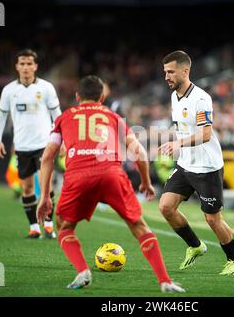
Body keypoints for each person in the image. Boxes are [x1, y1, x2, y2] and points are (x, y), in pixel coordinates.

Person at [36, 75, 184, 293]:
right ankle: (165, 281)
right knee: (139, 226)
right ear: (102, 97)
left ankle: (82, 271)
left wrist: (45, 196)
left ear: (77, 97)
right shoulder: (114, 117)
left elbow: (47, 157)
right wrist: (145, 182)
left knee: (65, 227)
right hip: (112, 174)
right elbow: (139, 153)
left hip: (78, 176)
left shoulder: (64, 117)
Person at [158, 50, 234, 276]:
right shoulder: (174, 96)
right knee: (166, 206)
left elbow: (206, 134)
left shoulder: (201, 98)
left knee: (212, 219)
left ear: (185, 71)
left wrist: (178, 145)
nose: (166, 76)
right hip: (186, 163)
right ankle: (195, 246)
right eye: (165, 72)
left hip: (206, 166)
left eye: (170, 72)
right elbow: (183, 128)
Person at [0, 49, 62, 239]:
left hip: (44, 145)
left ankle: (49, 225)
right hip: (22, 146)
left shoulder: (46, 88)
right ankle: (34, 227)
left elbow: (57, 116)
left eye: (29, 63)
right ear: (17, 66)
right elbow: (1, 116)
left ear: (35, 66)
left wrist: (62, 139)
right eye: (22, 64)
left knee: (46, 187)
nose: (25, 67)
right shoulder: (9, 90)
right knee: (27, 189)